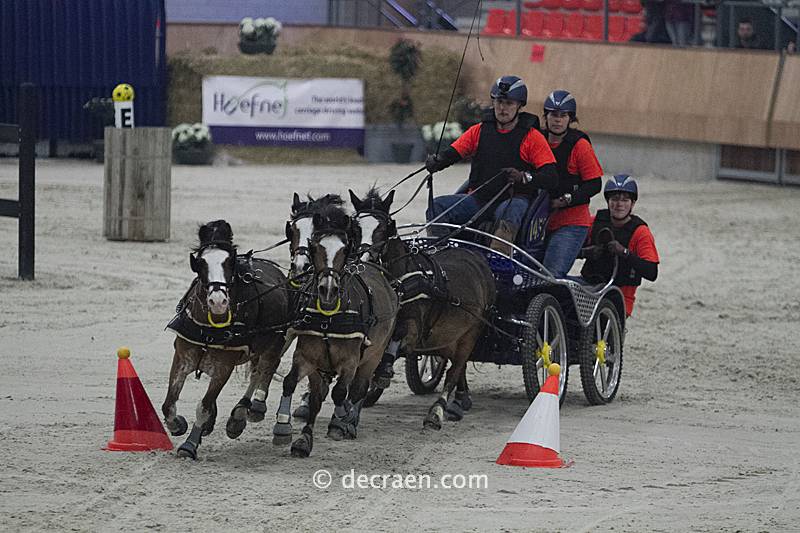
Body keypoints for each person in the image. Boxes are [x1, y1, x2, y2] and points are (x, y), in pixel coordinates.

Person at [424, 75, 558, 253]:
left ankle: (498, 258)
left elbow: (551, 177)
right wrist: (437, 161)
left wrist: (523, 177)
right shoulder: (479, 131)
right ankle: (440, 255)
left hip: (513, 200)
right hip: (478, 200)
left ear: (519, 106)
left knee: (511, 210)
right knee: (437, 206)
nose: (503, 108)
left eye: (509, 103)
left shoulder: (532, 137)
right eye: (499, 102)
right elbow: (453, 154)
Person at [540, 90, 603, 278]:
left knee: (551, 274)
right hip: (538, 221)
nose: (557, 120)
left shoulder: (579, 145)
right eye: (553, 115)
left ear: (570, 119)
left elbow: (594, 184)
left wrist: (566, 199)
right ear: (546, 116)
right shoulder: (538, 140)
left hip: (571, 222)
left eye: (563, 115)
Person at [579, 175, 659, 317]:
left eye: (625, 200)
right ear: (608, 201)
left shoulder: (640, 232)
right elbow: (569, 250)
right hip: (589, 286)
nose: (619, 204)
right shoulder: (594, 223)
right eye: (615, 199)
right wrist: (585, 252)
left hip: (620, 295)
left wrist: (624, 252)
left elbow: (652, 272)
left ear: (632, 204)